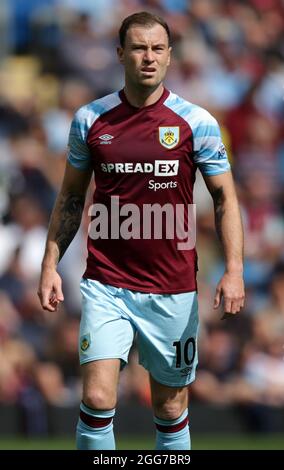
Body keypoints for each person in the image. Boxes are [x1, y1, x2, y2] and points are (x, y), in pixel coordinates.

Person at [38, 11, 245, 450]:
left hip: (172, 288)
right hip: (106, 281)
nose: (147, 57)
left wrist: (234, 270)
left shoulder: (197, 122)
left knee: (170, 409)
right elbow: (71, 198)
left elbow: (226, 199)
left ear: (170, 56)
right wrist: (50, 265)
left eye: (157, 49)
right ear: (120, 54)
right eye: (138, 48)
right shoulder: (90, 120)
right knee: (96, 396)